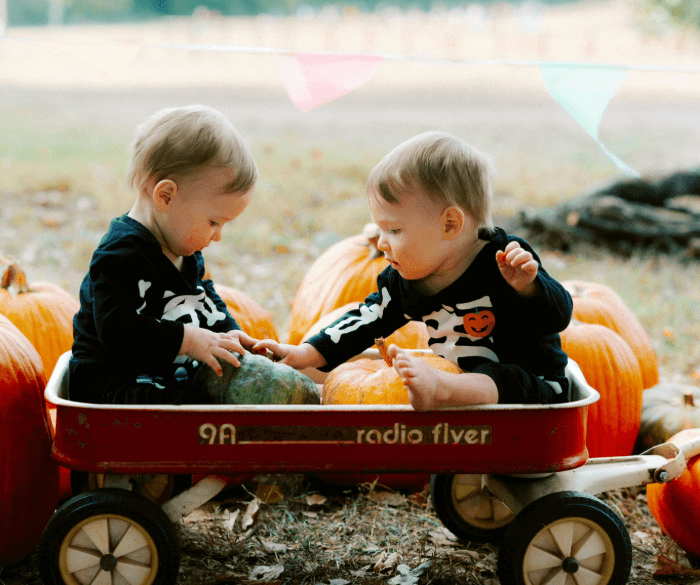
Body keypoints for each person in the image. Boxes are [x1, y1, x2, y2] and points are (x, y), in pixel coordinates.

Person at [255, 131, 573, 410]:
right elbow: (368, 318)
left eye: (393, 230)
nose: (380, 242)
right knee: (369, 364)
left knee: (503, 376)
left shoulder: (504, 262)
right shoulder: (410, 279)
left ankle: (442, 389)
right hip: (458, 378)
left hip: (535, 390)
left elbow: (558, 317)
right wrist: (308, 353)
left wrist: (529, 288)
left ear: (450, 224)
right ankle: (442, 386)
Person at [69, 105, 259, 404]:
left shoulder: (182, 245)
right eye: (213, 222)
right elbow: (116, 329)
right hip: (111, 386)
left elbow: (202, 296)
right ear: (166, 196)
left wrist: (228, 334)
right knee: (195, 405)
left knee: (213, 396)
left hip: (157, 376)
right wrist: (187, 339)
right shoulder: (121, 255)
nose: (218, 235)